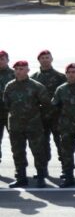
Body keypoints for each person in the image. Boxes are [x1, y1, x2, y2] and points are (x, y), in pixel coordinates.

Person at [3, 60, 51, 188]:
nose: (18, 71)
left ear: (28, 70)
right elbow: (7, 104)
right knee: (18, 152)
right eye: (16, 69)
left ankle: (41, 177)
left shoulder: (36, 86)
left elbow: (46, 104)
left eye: (21, 69)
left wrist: (38, 118)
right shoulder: (10, 86)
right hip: (15, 125)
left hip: (33, 125)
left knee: (38, 151)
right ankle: (21, 177)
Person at [32, 50, 66, 172]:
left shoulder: (61, 77)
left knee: (61, 143)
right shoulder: (33, 78)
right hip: (40, 118)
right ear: (39, 60)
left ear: (51, 59)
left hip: (57, 117)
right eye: (42, 58)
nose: (45, 60)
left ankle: (65, 169)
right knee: (41, 145)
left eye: (47, 57)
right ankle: (43, 169)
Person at [0, 51, 14, 167]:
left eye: (2, 59)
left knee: (16, 142)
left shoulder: (15, 74)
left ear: (7, 60)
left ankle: (20, 171)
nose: (0, 61)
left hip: (12, 114)